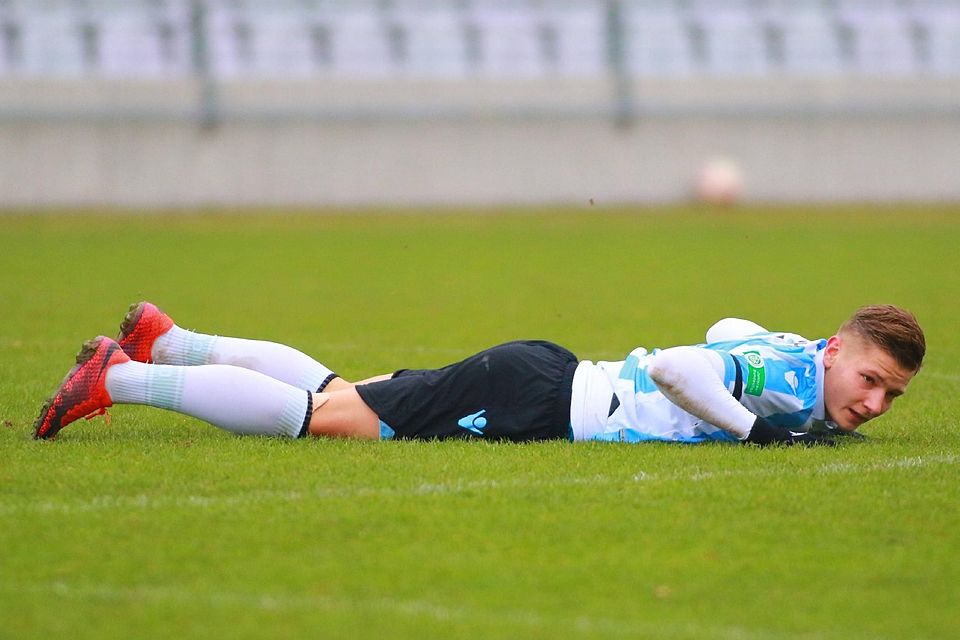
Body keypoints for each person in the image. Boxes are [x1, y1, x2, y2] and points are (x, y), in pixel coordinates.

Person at [33, 302, 925, 446]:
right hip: (537, 398)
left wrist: (789, 360)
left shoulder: (803, 359)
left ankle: (169, 338)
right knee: (324, 420)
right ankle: (120, 377)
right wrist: (754, 429)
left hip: (543, 377)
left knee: (341, 391)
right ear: (839, 350)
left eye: (892, 395)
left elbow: (726, 327)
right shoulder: (799, 385)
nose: (875, 403)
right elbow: (696, 362)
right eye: (872, 379)